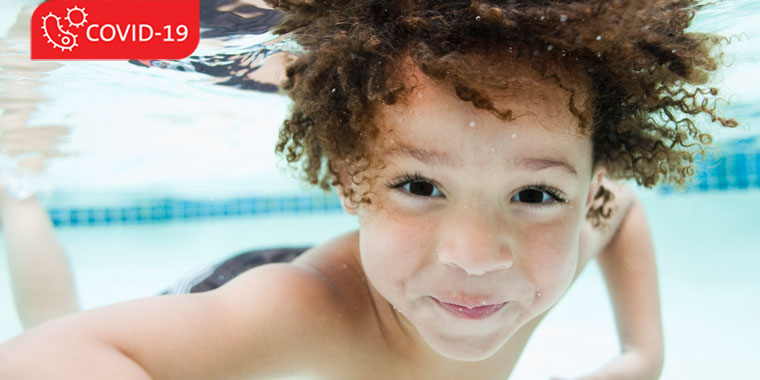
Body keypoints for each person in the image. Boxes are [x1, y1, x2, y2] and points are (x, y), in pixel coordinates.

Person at [0, 0, 737, 379]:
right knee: (60, 320)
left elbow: (626, 208)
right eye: (420, 183)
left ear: (584, 189)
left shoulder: (570, 231)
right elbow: (33, 361)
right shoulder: (306, 312)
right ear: (350, 182)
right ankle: (18, 197)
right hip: (249, 289)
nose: (478, 257)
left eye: (537, 195)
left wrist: (643, 355)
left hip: (379, 263)